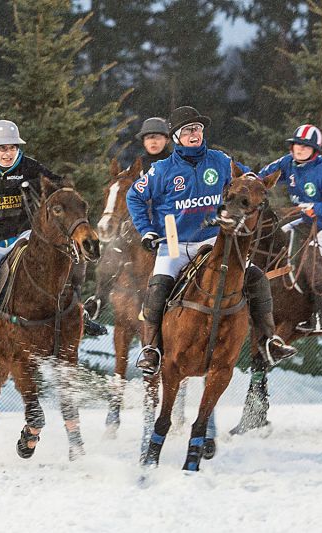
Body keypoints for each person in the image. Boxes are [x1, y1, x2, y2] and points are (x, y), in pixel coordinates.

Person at [126, 105, 297, 375]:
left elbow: (248, 180)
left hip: (216, 241)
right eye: (188, 130)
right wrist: (146, 229)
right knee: (158, 286)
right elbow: (134, 196)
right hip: (176, 243)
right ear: (176, 138)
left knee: (256, 278)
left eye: (198, 129)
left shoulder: (220, 161)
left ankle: (269, 342)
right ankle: (152, 349)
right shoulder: (162, 170)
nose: (195, 134)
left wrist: (256, 184)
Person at [0, 119, 104, 370]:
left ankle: (78, 311)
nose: (8, 154)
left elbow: (58, 187)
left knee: (63, 258)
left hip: (23, 236)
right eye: (2, 149)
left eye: (12, 148)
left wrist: (64, 193)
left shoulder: (30, 168)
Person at [257, 124, 322, 336]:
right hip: (306, 222)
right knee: (276, 237)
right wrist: (251, 183)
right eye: (296, 145)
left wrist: (317, 208)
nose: (299, 149)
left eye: (305, 146)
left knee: (311, 252)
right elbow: (262, 177)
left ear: (314, 150)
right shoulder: (288, 162)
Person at [84, 116, 172, 320]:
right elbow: (123, 193)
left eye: (158, 137)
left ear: (166, 140)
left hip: (170, 227)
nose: (154, 141)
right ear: (144, 141)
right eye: (149, 137)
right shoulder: (136, 169)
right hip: (141, 229)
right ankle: (98, 300)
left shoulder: (175, 164)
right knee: (111, 253)